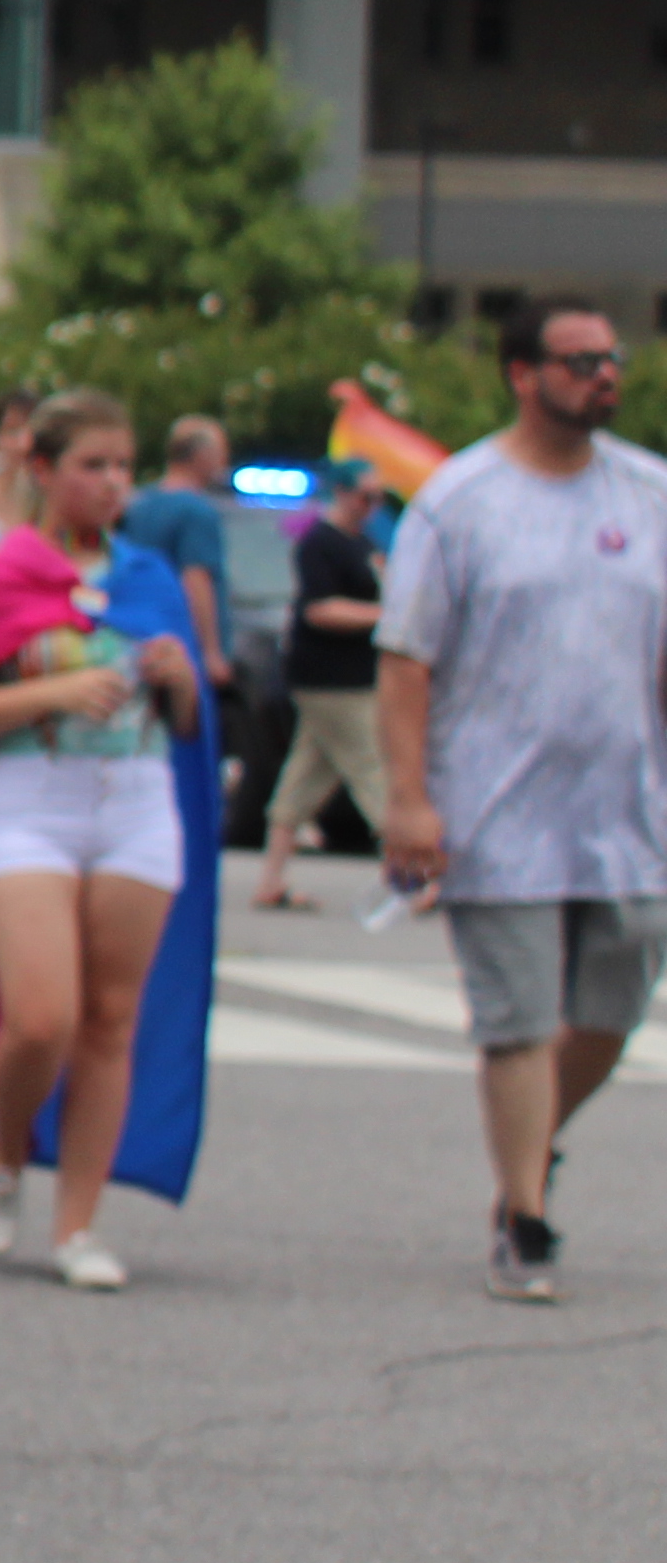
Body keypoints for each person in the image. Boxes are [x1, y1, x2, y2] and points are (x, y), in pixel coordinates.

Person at [378, 297, 667, 1306]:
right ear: (521, 372)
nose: (603, 374)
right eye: (579, 358)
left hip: (628, 812)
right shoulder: (460, 499)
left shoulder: (649, 491)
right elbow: (407, 661)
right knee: (517, 1021)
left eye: (610, 358)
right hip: (496, 812)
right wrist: (409, 801)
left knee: (609, 1014)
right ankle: (524, 1217)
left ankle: (532, 1150)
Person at [0, 389, 211, 1290]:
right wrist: (51, 695)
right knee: (42, 1016)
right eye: (92, 466)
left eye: (123, 467)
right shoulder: (4, 575)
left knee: (111, 1020)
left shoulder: (147, 578)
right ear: (42, 470)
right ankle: (3, 1144)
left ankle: (78, 1225)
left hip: (138, 800)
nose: (113, 484)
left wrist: (178, 676)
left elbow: (192, 723)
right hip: (31, 798)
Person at [251, 462, 391, 909]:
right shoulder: (320, 542)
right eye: (365, 497)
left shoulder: (364, 543)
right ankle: (417, 877)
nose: (371, 507)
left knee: (306, 774)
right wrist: (383, 617)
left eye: (378, 499)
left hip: (357, 674)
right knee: (372, 767)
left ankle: (271, 879)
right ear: (343, 494)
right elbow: (320, 610)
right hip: (330, 677)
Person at [125, 411, 236, 681]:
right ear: (202, 455)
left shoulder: (139, 502)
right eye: (221, 452)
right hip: (184, 646)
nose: (225, 461)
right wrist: (210, 653)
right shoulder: (196, 511)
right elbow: (196, 578)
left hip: (140, 638)